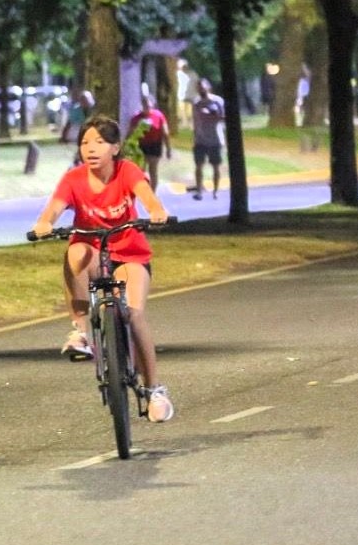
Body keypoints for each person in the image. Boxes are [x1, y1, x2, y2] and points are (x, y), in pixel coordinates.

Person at [31, 115, 174, 423]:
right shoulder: (73, 179)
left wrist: (157, 211)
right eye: (85, 142)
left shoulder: (127, 171)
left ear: (115, 147)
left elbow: (147, 197)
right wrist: (45, 223)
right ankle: (80, 332)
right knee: (76, 250)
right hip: (93, 254)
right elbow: (54, 209)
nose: (91, 149)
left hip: (130, 255)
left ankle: (154, 391)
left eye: (99, 142)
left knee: (133, 315)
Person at [190, 78, 226, 200]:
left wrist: (211, 114)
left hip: (215, 138)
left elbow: (223, 117)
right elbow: (195, 121)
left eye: (203, 86)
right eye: (198, 87)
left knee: (215, 165)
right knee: (199, 165)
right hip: (200, 139)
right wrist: (195, 135)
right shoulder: (196, 103)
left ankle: (215, 191)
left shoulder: (217, 101)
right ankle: (199, 190)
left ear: (208, 87)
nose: (201, 89)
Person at [128, 92, 171, 190]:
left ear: (152, 105)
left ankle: (153, 193)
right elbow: (130, 133)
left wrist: (168, 149)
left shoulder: (159, 116)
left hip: (155, 145)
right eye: (144, 105)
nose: (146, 107)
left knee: (153, 170)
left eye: (148, 105)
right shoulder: (136, 118)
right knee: (140, 170)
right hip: (141, 145)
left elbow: (165, 133)